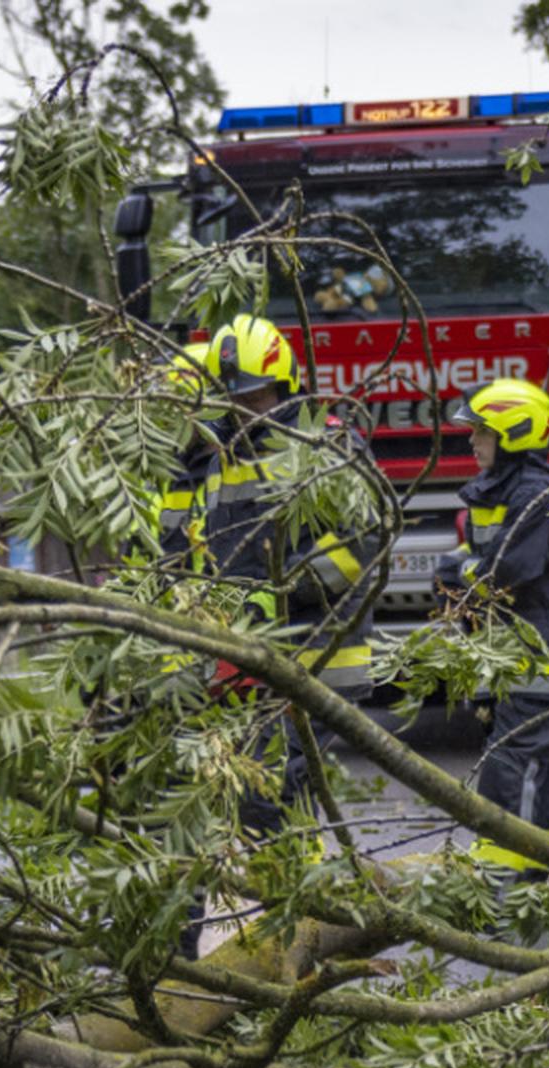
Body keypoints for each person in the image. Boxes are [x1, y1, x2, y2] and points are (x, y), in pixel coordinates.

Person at [165, 314, 379, 841]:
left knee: (280, 791)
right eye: (233, 398)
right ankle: (285, 909)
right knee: (255, 797)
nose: (243, 409)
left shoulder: (326, 447)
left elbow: (358, 549)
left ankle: (299, 914)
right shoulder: (221, 453)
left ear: (285, 384)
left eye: (255, 397)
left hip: (318, 652)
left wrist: (276, 594)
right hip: (252, 656)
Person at [435, 379, 549, 873]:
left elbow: (505, 570)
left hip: (539, 656)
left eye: (481, 432)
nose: (472, 441)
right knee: (541, 782)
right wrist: (455, 569)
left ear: (513, 432)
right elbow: (480, 556)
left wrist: (461, 575)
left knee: (509, 769)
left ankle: (501, 879)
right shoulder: (504, 489)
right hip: (515, 654)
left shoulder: (535, 494)